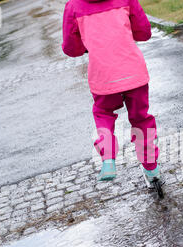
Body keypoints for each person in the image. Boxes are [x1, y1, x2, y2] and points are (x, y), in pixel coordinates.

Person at [62, 0, 160, 182]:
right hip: (132, 71)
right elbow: (144, 32)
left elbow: (71, 48)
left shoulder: (73, 6)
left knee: (103, 113)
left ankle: (108, 160)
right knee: (141, 118)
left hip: (102, 75)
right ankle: (151, 166)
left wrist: (86, 46)